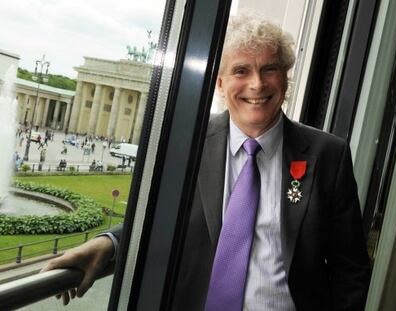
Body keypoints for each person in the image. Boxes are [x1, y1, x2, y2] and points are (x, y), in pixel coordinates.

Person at [42, 11, 371, 309]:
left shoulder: (329, 154)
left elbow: (350, 269)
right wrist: (108, 243)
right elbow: (158, 220)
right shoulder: (187, 144)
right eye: (241, 70)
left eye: (269, 69)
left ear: (285, 78)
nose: (257, 84)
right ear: (220, 82)